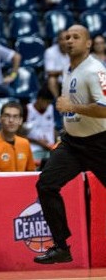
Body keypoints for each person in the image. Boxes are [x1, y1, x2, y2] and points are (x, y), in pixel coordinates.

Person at [34, 24, 106, 264]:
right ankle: (61, 247)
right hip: (72, 144)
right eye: (67, 37)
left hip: (100, 143)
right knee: (46, 185)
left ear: (88, 43)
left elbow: (104, 109)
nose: (70, 40)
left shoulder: (95, 70)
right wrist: (69, 125)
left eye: (76, 37)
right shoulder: (69, 69)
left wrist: (71, 108)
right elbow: (75, 107)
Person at [0, 101, 36, 172]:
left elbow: (30, 173)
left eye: (15, 117)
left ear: (20, 120)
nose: (11, 120)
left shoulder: (25, 143)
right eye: (7, 116)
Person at [22, 88, 58, 167]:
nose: (48, 105)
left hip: (50, 149)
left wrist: (56, 144)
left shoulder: (51, 108)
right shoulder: (27, 110)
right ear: (39, 99)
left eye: (49, 103)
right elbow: (19, 135)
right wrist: (39, 142)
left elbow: (53, 128)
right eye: (47, 102)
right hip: (34, 150)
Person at [44, 29, 70, 98]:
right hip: (57, 80)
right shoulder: (50, 52)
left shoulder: (73, 51)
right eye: (62, 39)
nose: (65, 42)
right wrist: (63, 72)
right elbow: (49, 72)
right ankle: (56, 102)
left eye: (67, 39)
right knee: (52, 80)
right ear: (58, 40)